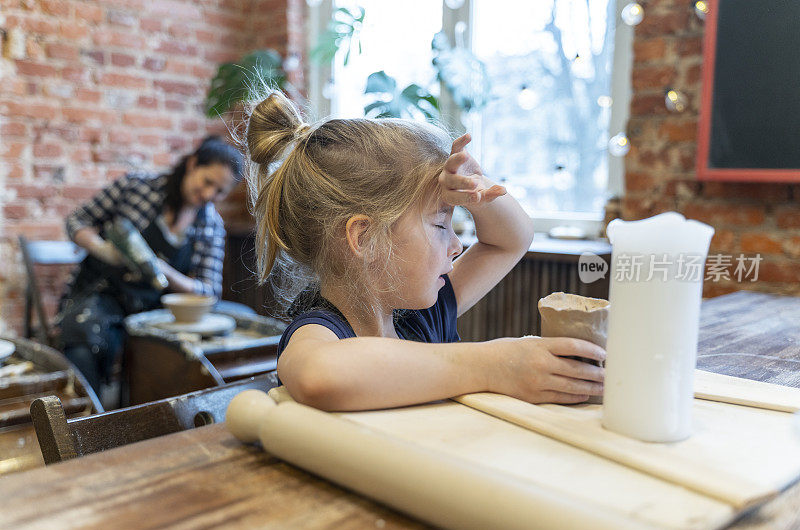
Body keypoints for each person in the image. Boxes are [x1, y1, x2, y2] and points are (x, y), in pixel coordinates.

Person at [246, 92, 605, 412]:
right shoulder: (319, 332)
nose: (457, 244)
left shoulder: (423, 315)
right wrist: (495, 364)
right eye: (439, 224)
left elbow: (511, 240)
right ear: (365, 238)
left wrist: (479, 193)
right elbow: (318, 375)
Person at [59, 136, 244, 394]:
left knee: (223, 328)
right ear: (192, 165)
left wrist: (161, 269)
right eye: (207, 182)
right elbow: (77, 220)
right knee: (85, 340)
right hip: (104, 292)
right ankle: (86, 421)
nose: (209, 194)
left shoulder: (210, 225)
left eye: (220, 191)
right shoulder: (135, 187)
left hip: (155, 302)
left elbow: (208, 291)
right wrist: (104, 249)